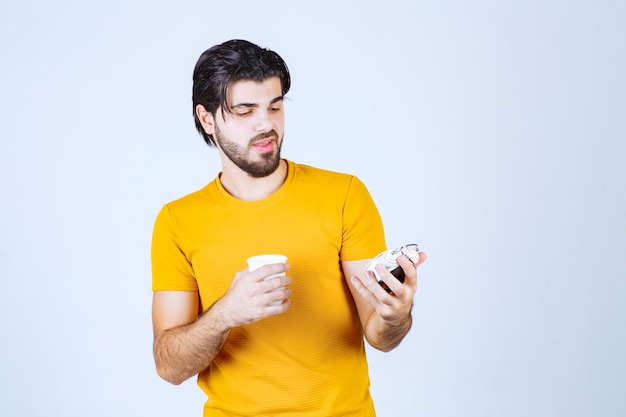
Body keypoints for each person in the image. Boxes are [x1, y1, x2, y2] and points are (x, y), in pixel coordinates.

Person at [151, 39, 427, 417]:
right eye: (246, 110)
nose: (266, 124)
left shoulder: (344, 195)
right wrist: (226, 313)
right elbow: (169, 366)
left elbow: (380, 335)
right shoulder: (177, 221)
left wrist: (395, 314)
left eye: (275, 106)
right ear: (207, 119)